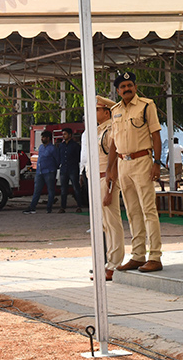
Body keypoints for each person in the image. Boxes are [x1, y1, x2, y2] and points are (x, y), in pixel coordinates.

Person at [107, 70, 163, 272]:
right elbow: (113, 143)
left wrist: (157, 162)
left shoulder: (146, 105)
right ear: (118, 91)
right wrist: (110, 169)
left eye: (130, 85)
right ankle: (138, 255)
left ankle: (155, 256)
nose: (126, 89)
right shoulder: (115, 110)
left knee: (148, 209)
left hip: (142, 161)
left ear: (135, 87)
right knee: (132, 212)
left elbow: (156, 135)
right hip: (123, 164)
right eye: (122, 87)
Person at [84, 95, 124, 280]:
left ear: (106, 112)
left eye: (97, 110)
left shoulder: (111, 130)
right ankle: (108, 261)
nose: (95, 113)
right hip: (96, 179)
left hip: (105, 179)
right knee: (103, 224)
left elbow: (113, 160)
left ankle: (115, 263)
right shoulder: (99, 130)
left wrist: (110, 186)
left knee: (112, 222)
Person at [24, 130, 58, 214]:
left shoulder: (53, 148)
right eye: (42, 137)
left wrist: (54, 168)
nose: (42, 139)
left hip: (49, 171)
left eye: (44, 137)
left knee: (51, 190)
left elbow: (57, 160)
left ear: (48, 138)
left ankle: (49, 208)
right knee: (37, 190)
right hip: (40, 171)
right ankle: (32, 207)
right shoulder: (41, 147)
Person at [57, 128, 84, 213]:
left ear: (69, 135)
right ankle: (63, 207)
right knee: (63, 189)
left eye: (65, 134)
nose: (63, 136)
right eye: (63, 134)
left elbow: (78, 157)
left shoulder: (75, 145)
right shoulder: (61, 145)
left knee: (76, 187)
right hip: (64, 169)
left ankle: (79, 205)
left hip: (73, 168)